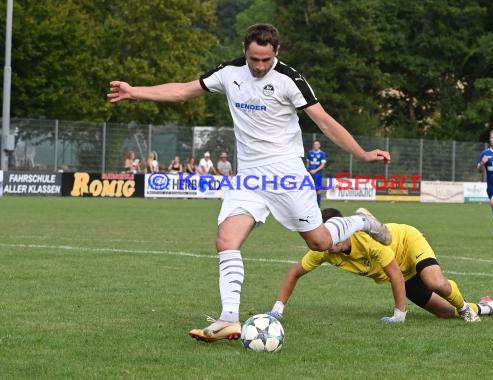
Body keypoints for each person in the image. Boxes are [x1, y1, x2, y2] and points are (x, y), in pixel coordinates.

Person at [108, 23, 391, 343]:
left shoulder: (290, 79)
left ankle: (361, 221)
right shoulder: (229, 72)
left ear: (276, 53)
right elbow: (183, 90)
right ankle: (229, 318)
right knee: (226, 240)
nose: (259, 66)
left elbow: (324, 121)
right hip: (250, 177)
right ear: (245, 50)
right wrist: (135, 91)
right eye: (254, 59)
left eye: (265, 60)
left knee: (320, 243)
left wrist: (362, 154)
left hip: (287, 174)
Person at [267, 208, 493, 323]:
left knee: (435, 283)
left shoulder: (366, 241)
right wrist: (277, 310)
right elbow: (294, 274)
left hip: (407, 244)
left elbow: (396, 277)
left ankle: (465, 308)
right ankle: (487, 307)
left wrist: (399, 315)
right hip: (400, 271)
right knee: (444, 313)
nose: (326, 241)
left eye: (332, 235)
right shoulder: (322, 250)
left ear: (344, 229)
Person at [306, 139, 327, 207]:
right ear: (313, 145)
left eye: (317, 144)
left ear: (319, 145)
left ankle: (318, 205)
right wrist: (308, 171)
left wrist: (315, 170)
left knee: (318, 189)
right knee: (309, 189)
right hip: (310, 173)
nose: (316, 146)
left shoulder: (322, 154)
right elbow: (308, 163)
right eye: (315, 144)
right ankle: (309, 205)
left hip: (318, 174)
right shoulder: (309, 153)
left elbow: (322, 165)